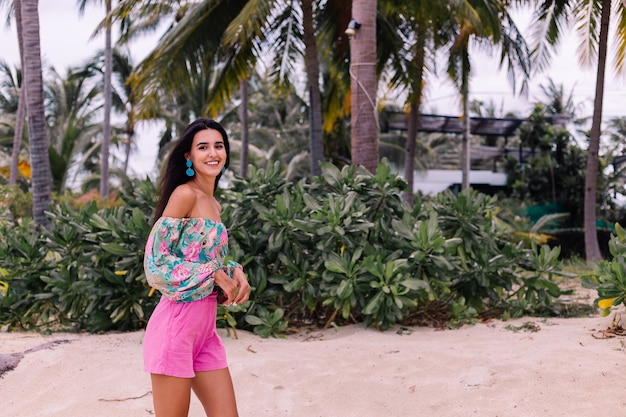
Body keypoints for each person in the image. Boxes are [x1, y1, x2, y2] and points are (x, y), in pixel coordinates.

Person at [143, 118, 251, 417]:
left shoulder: (214, 204)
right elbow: (155, 263)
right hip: (175, 328)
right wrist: (213, 273)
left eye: (218, 146)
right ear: (189, 157)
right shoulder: (185, 194)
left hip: (205, 333)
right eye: (202, 147)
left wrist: (233, 269)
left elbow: (200, 256)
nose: (212, 153)